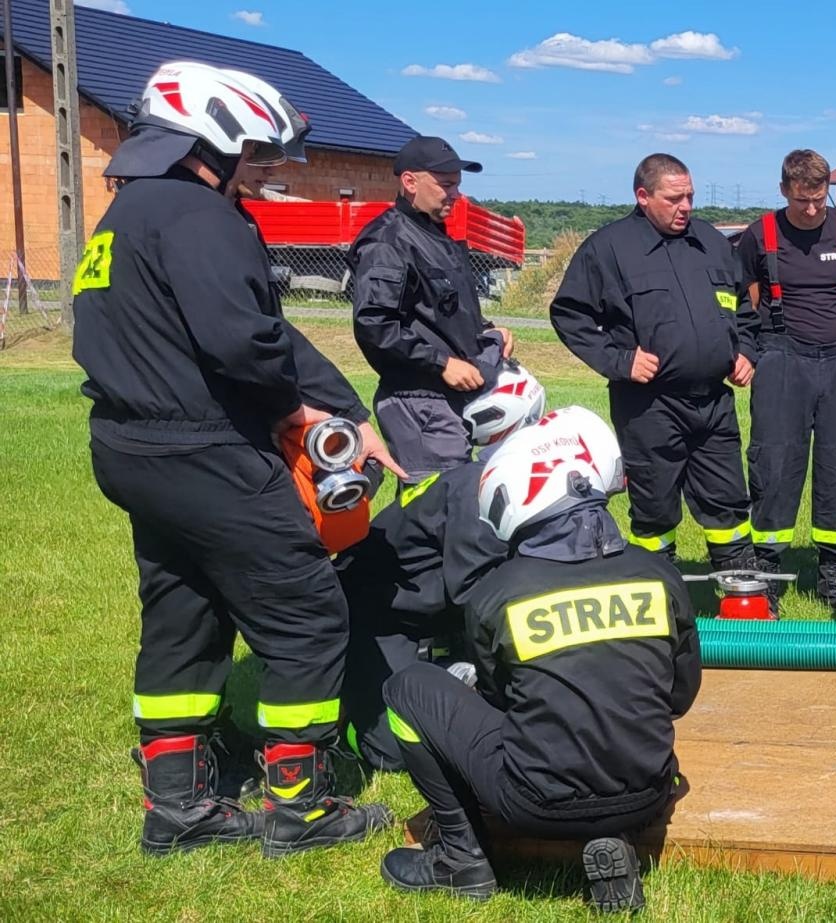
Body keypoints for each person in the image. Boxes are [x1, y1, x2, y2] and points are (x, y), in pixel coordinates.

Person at [73, 62, 399, 857]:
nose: (259, 168)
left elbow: (262, 331)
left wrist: (348, 409)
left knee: (184, 609)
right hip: (203, 451)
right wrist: (299, 412)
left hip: (129, 448)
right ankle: (301, 808)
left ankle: (178, 805)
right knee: (307, 612)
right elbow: (245, 342)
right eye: (251, 151)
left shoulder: (124, 215)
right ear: (207, 142)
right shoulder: (199, 216)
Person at [380, 407, 699, 912]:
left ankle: (460, 860)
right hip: (647, 794)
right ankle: (610, 834)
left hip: (532, 803)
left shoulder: (496, 593)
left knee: (406, 690)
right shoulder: (659, 574)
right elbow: (680, 696)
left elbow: (500, 699)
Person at [550, 153, 759, 574]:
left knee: (729, 504)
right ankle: (660, 591)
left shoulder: (711, 242)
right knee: (654, 510)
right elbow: (569, 315)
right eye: (674, 199)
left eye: (690, 197)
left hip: (713, 404)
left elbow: (743, 310)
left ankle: (742, 593)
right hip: (649, 407)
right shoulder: (609, 248)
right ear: (643, 196)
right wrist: (619, 360)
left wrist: (745, 353)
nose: (686, 207)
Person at [338, 364, 545, 771]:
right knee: (394, 751)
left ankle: (444, 672)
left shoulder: (485, 479)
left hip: (426, 608)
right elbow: (478, 598)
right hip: (377, 616)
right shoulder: (476, 491)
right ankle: (345, 724)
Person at [736, 150, 836, 615]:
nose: (812, 209)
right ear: (784, 191)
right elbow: (750, 301)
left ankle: (833, 577)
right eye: (801, 200)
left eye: (819, 199)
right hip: (781, 358)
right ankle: (767, 576)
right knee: (774, 465)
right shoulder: (760, 235)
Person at [350, 135, 515, 477]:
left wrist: (487, 332)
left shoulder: (434, 235)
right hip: (419, 402)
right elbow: (376, 326)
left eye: (458, 185)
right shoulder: (388, 241)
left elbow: (441, 312)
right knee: (438, 499)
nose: (456, 194)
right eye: (446, 185)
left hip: (449, 397)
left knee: (458, 496)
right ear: (410, 182)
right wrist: (441, 364)